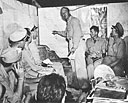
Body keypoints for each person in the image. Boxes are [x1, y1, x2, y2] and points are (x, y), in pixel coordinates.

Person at [52, 7, 87, 81]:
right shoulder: (68, 22)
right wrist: (57, 32)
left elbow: (77, 34)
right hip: (73, 44)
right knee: (74, 66)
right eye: (62, 14)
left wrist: (74, 47)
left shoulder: (74, 20)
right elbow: (66, 33)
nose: (64, 15)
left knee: (80, 66)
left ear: (69, 12)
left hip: (78, 44)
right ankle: (77, 85)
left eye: (65, 12)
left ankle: (84, 86)